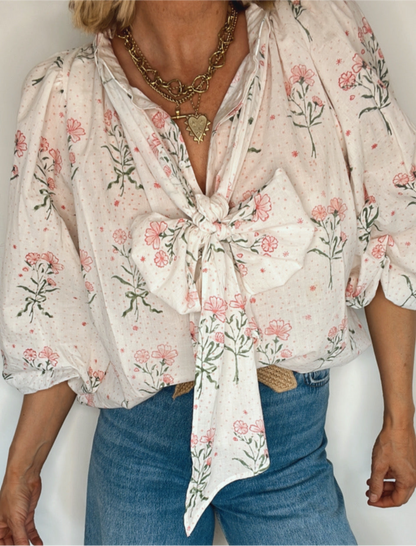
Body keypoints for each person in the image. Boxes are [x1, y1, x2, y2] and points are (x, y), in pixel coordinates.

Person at [0, 0, 415, 544]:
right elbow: (55, 310)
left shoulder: (315, 36)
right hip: (140, 450)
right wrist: (23, 469)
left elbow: (393, 223)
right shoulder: (64, 94)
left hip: (287, 440)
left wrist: (400, 417)